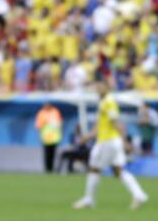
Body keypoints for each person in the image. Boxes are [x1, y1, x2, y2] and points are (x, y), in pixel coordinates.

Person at [72, 81, 148, 210]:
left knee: (94, 168)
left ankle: (89, 199)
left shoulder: (109, 102)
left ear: (108, 88)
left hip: (107, 142)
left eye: (101, 87)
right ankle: (139, 194)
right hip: (110, 141)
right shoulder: (104, 102)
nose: (98, 89)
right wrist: (88, 136)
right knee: (118, 171)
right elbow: (101, 124)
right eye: (97, 87)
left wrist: (125, 141)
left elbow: (116, 122)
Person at [35, 102, 63, 173]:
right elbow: (38, 125)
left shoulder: (55, 112)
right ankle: (47, 169)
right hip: (46, 138)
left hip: (54, 137)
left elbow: (59, 123)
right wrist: (45, 122)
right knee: (47, 154)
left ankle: (52, 169)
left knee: (53, 154)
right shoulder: (41, 113)